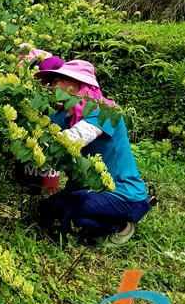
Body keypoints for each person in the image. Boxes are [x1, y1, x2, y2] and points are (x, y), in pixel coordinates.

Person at [35, 60, 150, 245]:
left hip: (123, 193)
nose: (53, 86)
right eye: (52, 82)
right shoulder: (64, 114)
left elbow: (75, 137)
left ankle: (121, 226)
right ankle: (92, 216)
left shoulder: (105, 111)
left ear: (77, 84)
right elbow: (40, 131)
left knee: (72, 209)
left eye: (59, 80)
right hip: (90, 188)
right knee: (50, 208)